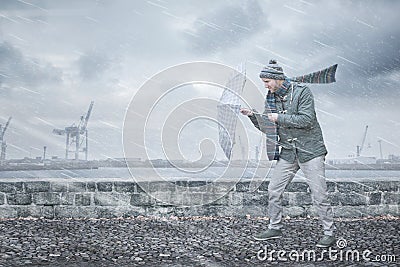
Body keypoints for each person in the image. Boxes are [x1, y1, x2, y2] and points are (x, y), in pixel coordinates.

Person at [240, 59, 336, 248]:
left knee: (319, 194)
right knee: (273, 190)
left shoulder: (302, 91)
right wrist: (252, 115)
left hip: (311, 151)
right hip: (289, 152)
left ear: (277, 79)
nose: (265, 85)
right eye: (264, 82)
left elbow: (307, 119)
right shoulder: (271, 97)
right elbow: (268, 127)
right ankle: (274, 227)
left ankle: (329, 233)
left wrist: (279, 117)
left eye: (267, 81)